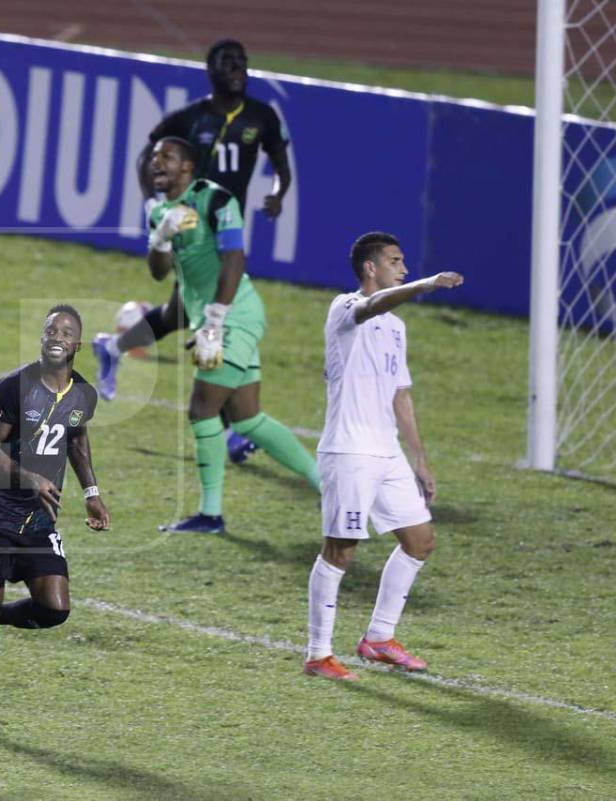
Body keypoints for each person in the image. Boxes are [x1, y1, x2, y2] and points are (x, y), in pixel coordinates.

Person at [93, 38, 291, 463]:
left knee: (181, 313)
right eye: (229, 62)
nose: (239, 68)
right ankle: (227, 432)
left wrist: (278, 193)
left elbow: (281, 164)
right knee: (212, 317)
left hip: (229, 226)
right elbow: (149, 152)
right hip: (193, 232)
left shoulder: (262, 116)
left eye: (243, 61)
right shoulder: (191, 117)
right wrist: (152, 202)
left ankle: (111, 348)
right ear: (212, 71)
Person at [136, 137, 320, 534]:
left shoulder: (217, 201)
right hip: (215, 318)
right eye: (154, 159)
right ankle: (327, 483)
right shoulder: (159, 211)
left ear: (188, 166)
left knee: (202, 409)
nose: (157, 164)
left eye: (166, 157)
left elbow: (235, 258)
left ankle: (211, 514)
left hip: (233, 314)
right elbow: (157, 271)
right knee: (247, 418)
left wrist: (215, 319)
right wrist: (162, 237)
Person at [0, 305, 110, 729]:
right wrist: (29, 477)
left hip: (38, 516)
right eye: (51, 328)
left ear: (77, 345)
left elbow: (76, 440)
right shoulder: (14, 386)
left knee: (54, 608)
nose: (57, 335)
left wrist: (91, 492)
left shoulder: (82, 394)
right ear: (41, 337)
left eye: (66, 331)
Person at [303, 232, 463, 681]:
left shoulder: (397, 327)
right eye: (396, 261)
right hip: (350, 451)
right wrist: (426, 285)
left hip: (386, 452)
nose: (404, 268)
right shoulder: (345, 307)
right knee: (341, 550)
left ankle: (378, 638)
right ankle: (318, 654)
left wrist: (420, 459)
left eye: (406, 263)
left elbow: (402, 395)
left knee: (420, 540)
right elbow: (373, 306)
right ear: (371, 268)